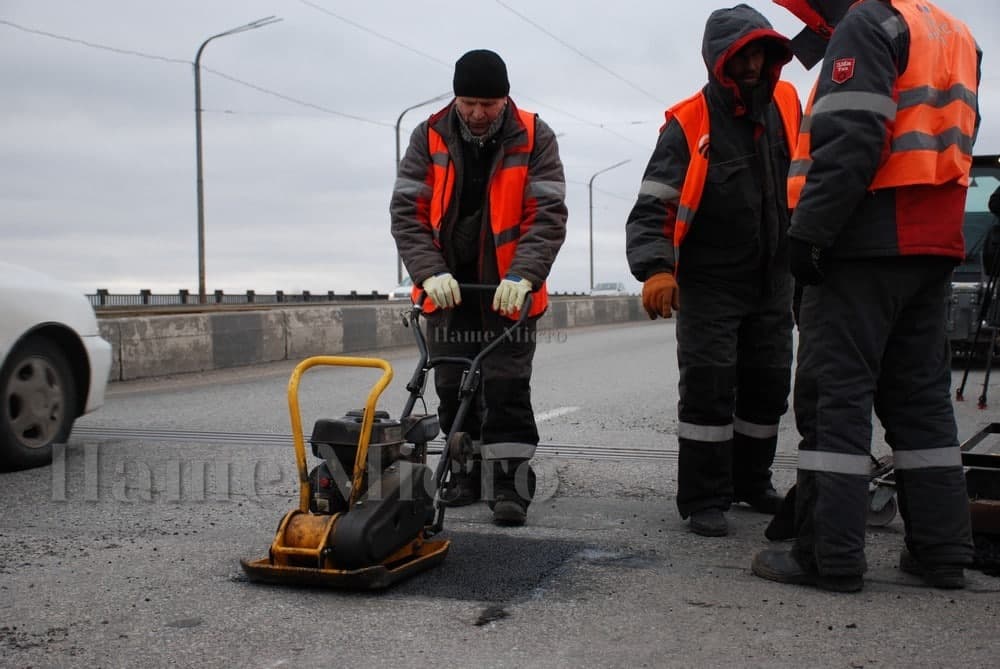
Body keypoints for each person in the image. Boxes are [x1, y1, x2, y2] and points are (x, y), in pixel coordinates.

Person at [753, 0, 982, 592]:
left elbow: (853, 136)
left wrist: (810, 233)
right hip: (933, 244)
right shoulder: (953, 30)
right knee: (921, 402)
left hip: (867, 242)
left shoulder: (871, 23)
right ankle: (943, 553)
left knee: (836, 399)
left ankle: (827, 557)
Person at [625, 4, 802, 537]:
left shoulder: (789, 105)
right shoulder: (688, 122)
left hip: (775, 279)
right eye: (741, 56)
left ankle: (752, 480)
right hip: (710, 282)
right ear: (717, 62)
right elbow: (654, 203)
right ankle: (704, 497)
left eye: (761, 54)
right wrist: (656, 269)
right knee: (709, 388)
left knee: (768, 387)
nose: (752, 66)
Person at [390, 49, 568, 527]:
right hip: (449, 288)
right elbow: (407, 213)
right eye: (468, 102)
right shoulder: (428, 136)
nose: (476, 113)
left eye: (487, 104)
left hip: (508, 290)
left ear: (505, 99)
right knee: (450, 384)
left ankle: (509, 484)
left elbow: (547, 217)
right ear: (456, 97)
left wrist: (524, 276)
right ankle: (465, 474)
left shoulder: (535, 136)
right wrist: (428, 271)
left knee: (506, 386)